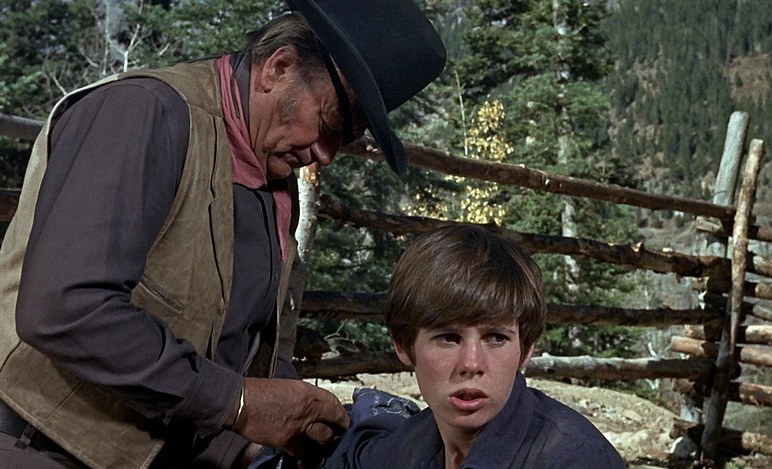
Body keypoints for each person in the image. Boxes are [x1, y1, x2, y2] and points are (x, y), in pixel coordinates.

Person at [0, 0, 446, 467]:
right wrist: (241, 404)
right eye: (330, 122)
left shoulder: (272, 184)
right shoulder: (143, 113)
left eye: (346, 138)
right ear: (278, 68)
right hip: (34, 445)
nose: (326, 154)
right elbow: (65, 308)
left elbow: (232, 352)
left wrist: (284, 420)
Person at [323, 225, 626, 469]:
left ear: (526, 348)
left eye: (496, 338)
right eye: (449, 338)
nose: (471, 363)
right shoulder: (414, 441)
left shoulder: (575, 458)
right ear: (403, 345)